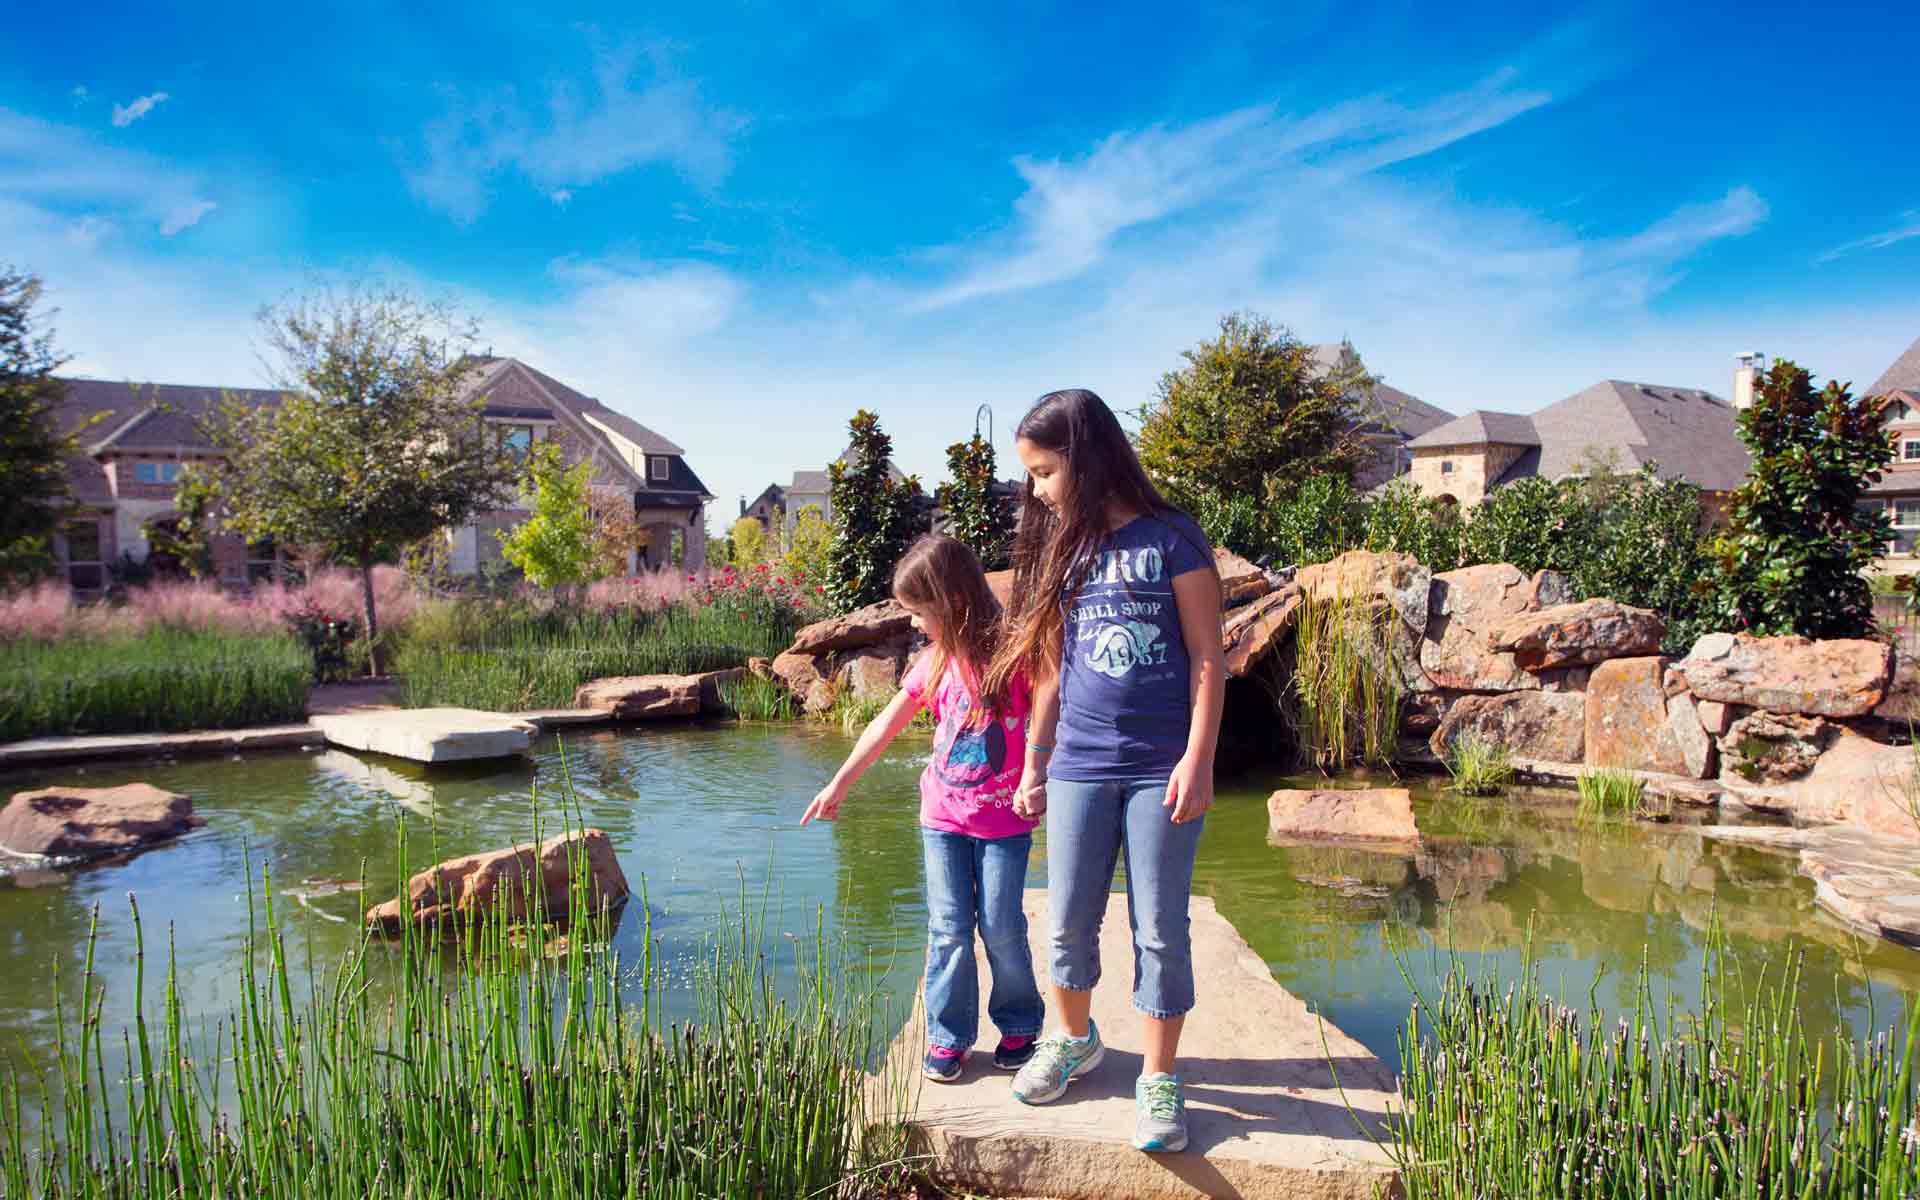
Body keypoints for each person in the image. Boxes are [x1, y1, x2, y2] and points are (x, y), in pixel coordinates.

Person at [985, 388, 1225, 1153]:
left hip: (1161, 768)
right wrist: (1036, 761)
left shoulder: (1173, 540)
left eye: (1045, 471)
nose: (1036, 488)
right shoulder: (1069, 551)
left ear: (1084, 460)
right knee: (1066, 920)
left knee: (1158, 929)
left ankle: (1157, 1077)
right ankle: (1075, 1038)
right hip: (1080, 768)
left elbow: (1208, 659)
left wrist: (1198, 758)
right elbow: (1052, 672)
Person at [801, 534, 1045, 1081]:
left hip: (1005, 822)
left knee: (1002, 927)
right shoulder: (934, 662)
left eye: (918, 612)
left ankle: (1020, 1022)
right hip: (942, 821)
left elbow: (1050, 723)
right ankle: (948, 1035)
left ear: (953, 602)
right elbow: (885, 724)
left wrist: (1040, 775)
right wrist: (839, 783)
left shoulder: (1015, 656)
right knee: (948, 928)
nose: (912, 623)